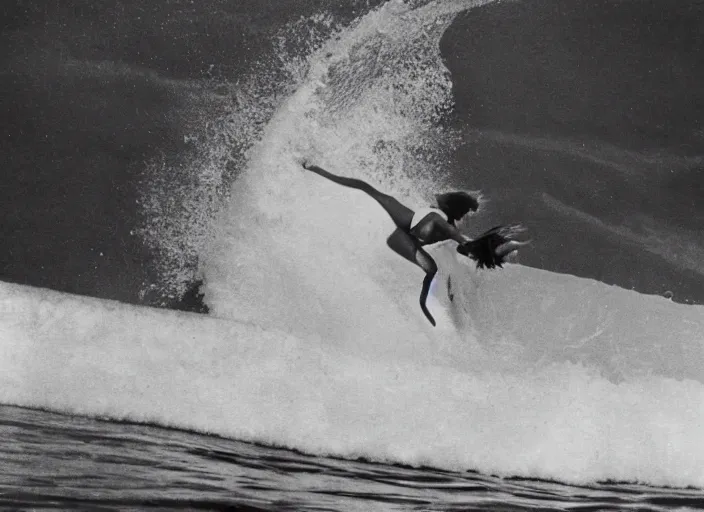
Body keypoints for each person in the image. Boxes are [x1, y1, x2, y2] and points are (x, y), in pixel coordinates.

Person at [300, 161, 527, 326]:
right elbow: (364, 186)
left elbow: (464, 247)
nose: (468, 220)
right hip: (400, 237)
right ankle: (426, 306)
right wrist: (318, 170)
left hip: (409, 239)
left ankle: (425, 306)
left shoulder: (450, 229)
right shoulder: (439, 222)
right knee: (371, 191)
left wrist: (492, 252)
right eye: (468, 213)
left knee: (433, 270)